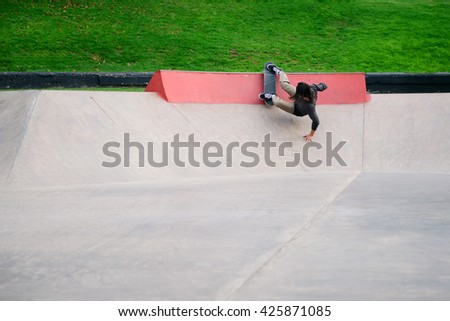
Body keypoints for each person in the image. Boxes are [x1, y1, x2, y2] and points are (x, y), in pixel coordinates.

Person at [259, 63, 327, 142]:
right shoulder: (312, 87)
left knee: (276, 102)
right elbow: (323, 86)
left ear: (302, 94)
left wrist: (311, 134)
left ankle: (272, 96)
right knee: (284, 84)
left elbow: (316, 121)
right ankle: (279, 71)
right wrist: (323, 85)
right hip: (299, 98)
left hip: (296, 109)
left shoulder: (310, 107)